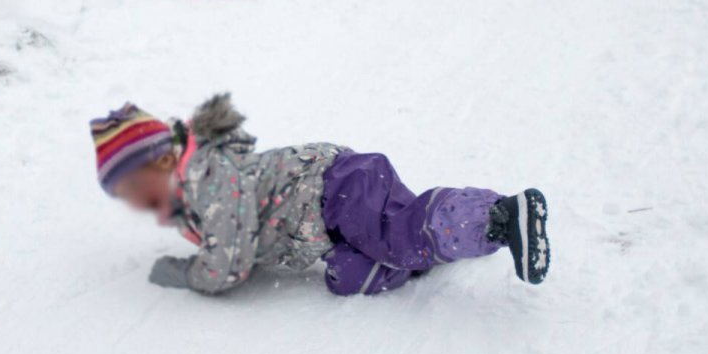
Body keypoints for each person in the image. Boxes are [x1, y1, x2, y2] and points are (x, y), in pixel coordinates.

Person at [90, 95, 551, 297]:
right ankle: (421, 256)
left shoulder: (208, 184)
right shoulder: (195, 191)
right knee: (348, 276)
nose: (132, 201)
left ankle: (502, 217)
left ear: (163, 164)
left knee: (403, 234)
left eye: (132, 188)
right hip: (331, 215)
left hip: (335, 189)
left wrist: (195, 275)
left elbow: (229, 261)